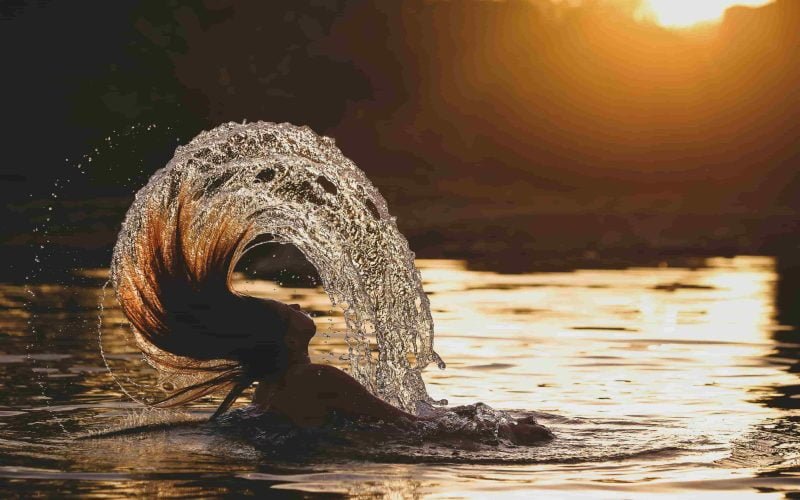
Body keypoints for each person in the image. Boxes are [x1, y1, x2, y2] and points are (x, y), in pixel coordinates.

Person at [112, 186, 552, 445]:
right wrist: (508, 431)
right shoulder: (317, 379)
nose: (297, 304)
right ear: (284, 338)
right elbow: (417, 433)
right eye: (286, 308)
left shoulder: (265, 392)